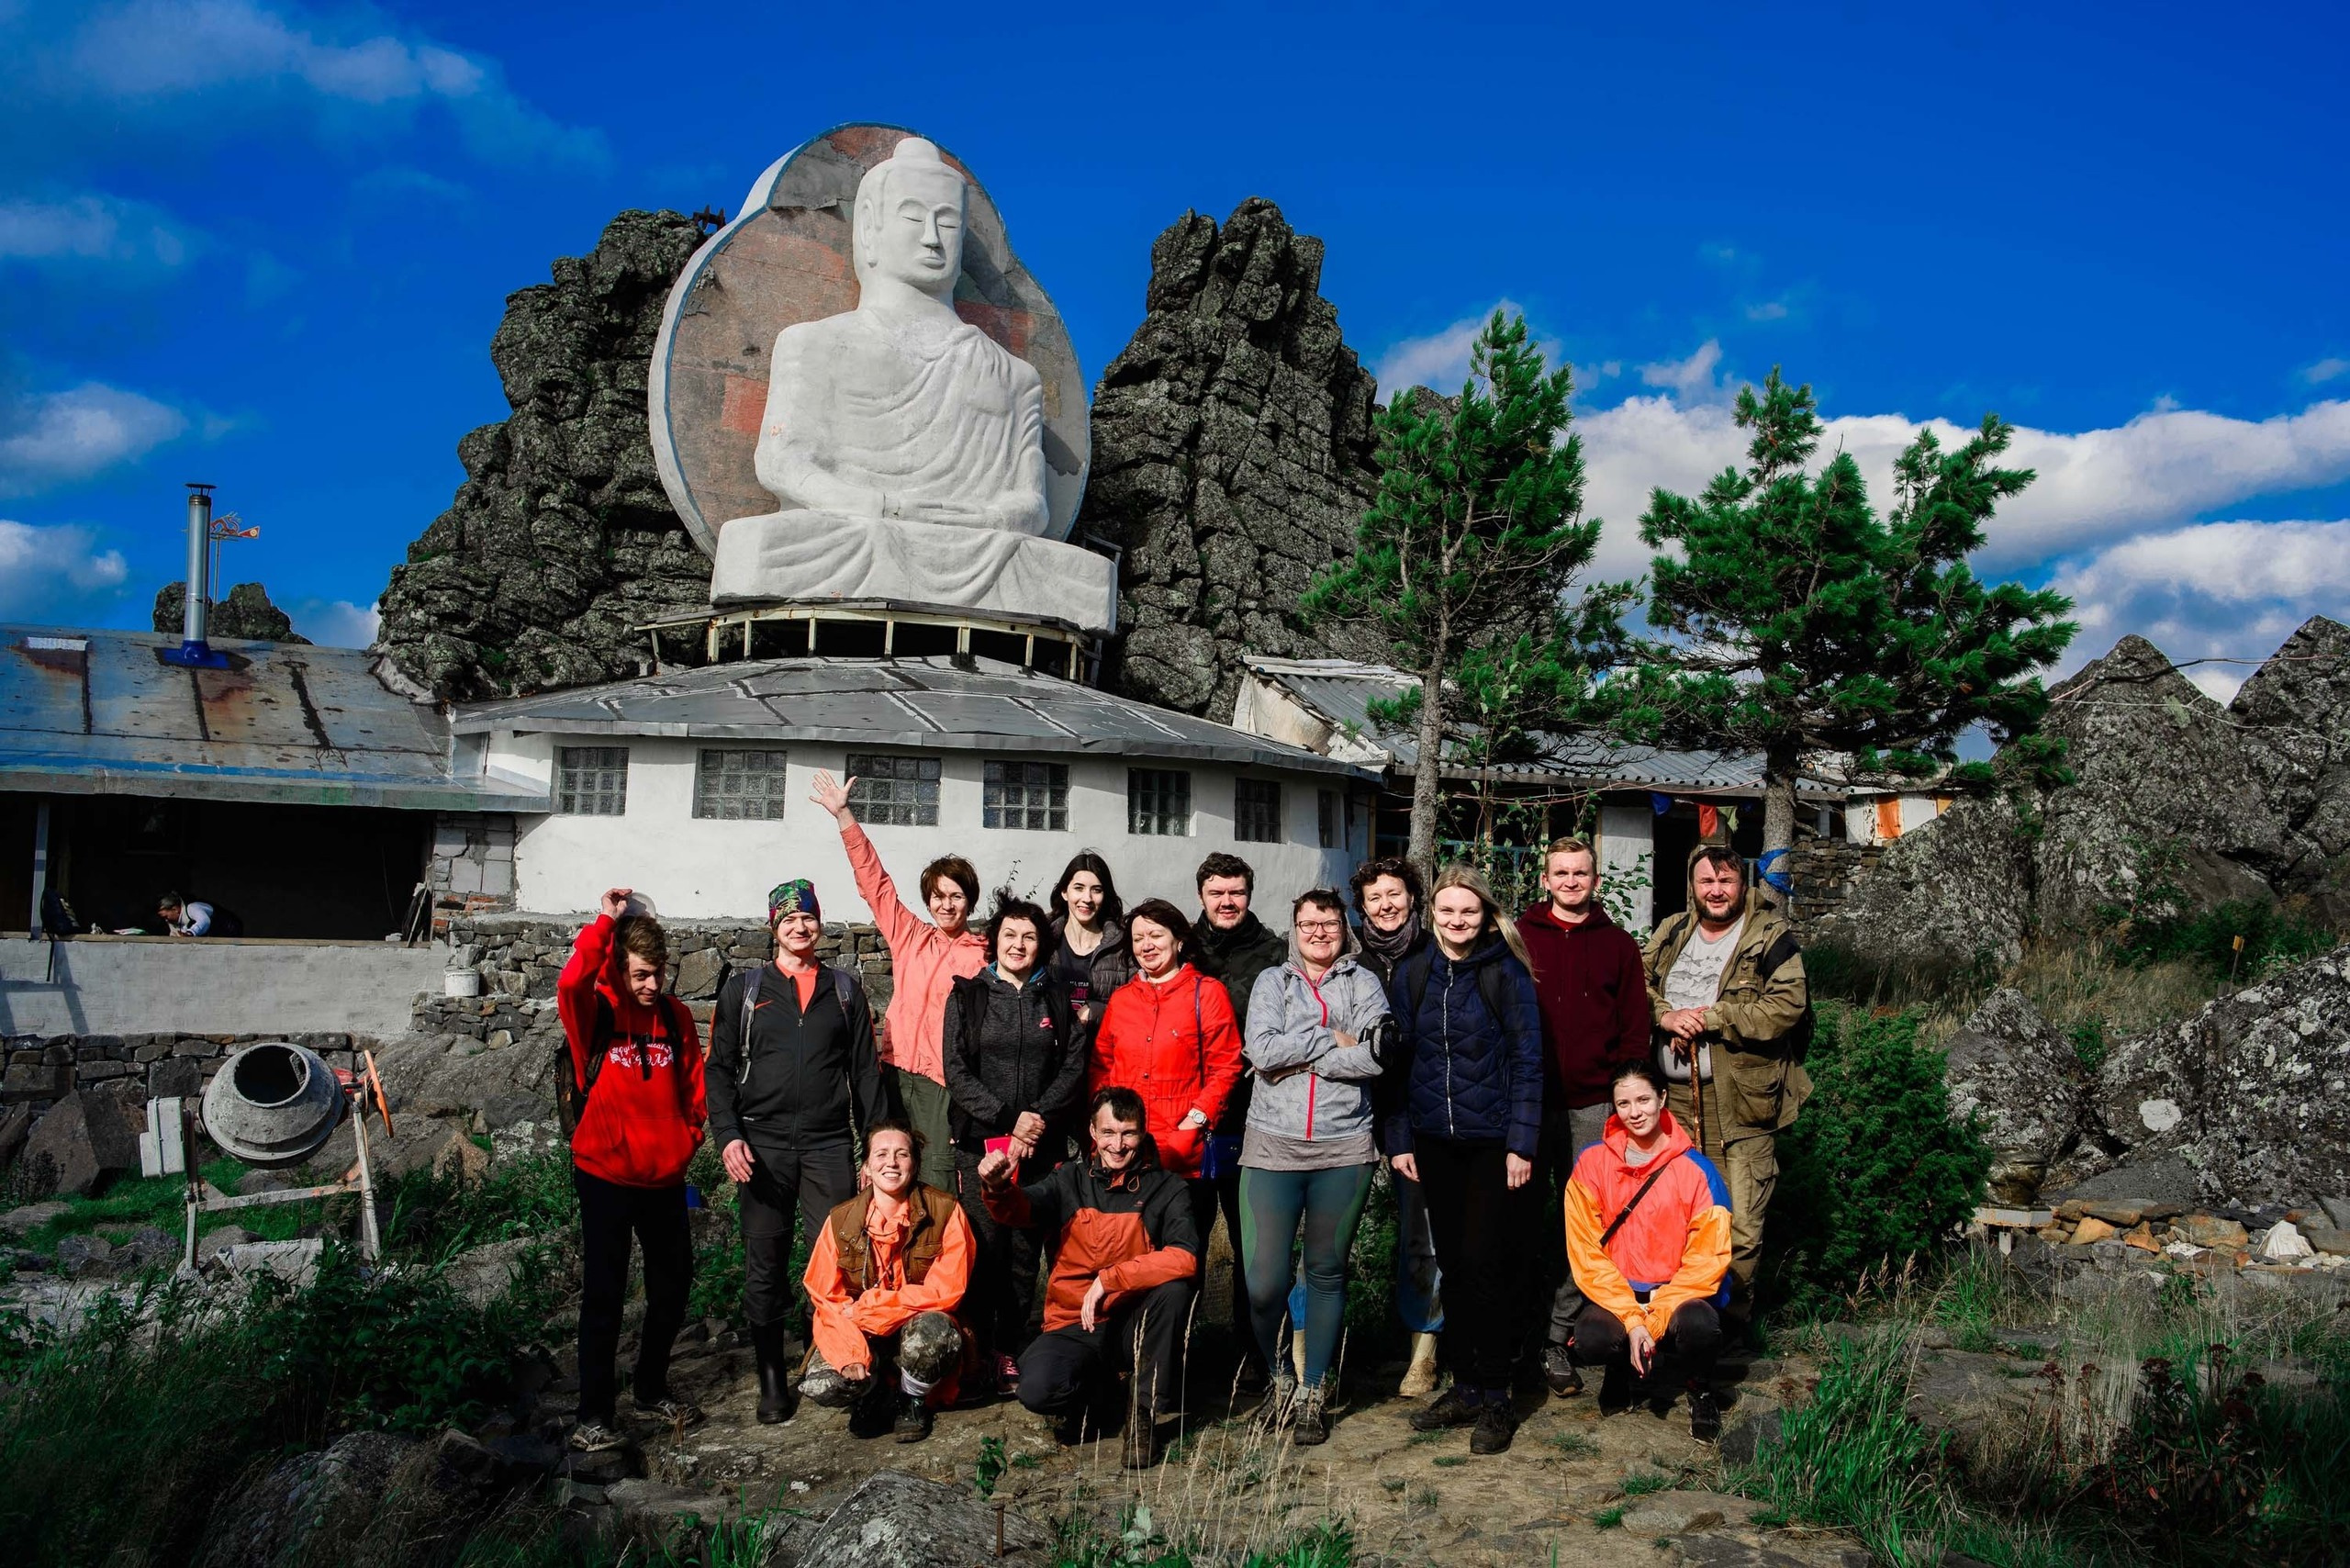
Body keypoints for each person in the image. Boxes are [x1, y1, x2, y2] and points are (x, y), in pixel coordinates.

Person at [708, 878, 897, 1426]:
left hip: (828, 1144)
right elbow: (718, 1070)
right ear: (774, 928)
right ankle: (772, 1379)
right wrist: (728, 1135)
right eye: (788, 919)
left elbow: (865, 1073)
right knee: (764, 1262)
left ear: (820, 923)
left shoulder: (845, 990)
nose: (799, 927)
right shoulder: (745, 991)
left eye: (808, 917)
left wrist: (874, 1148)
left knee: (844, 1260)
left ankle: (847, 1366)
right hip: (761, 1146)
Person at [1383, 865, 1544, 1455]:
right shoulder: (1414, 971)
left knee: (1485, 1264)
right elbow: (1398, 1062)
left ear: (1486, 914)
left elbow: (1528, 1060)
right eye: (1447, 910)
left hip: (1492, 1142)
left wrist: (1521, 1143)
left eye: (1469, 911)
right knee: (1451, 1263)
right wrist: (1399, 1137)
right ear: (1432, 914)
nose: (1457, 921)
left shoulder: (1506, 972)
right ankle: (1467, 1385)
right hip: (1432, 1140)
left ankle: (1498, 1396)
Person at [555, 889, 709, 1452]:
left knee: (673, 1286)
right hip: (604, 1176)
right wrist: (605, 923)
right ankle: (593, 1416)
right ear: (620, 970)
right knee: (605, 1295)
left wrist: (687, 1139)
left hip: (664, 1178)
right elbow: (570, 983)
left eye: (658, 973)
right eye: (641, 974)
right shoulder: (594, 1012)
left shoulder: (675, 1016)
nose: (652, 984)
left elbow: (694, 1085)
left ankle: (650, 1389)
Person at [979, 1088, 1201, 1470]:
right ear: (1093, 1134)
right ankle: (1105, 1393)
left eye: (1128, 1133)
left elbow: (1185, 1257)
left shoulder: (1168, 1188)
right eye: (1109, 1132)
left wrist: (1111, 1279)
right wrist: (998, 1188)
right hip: (1073, 1321)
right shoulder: (1068, 1179)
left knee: (1175, 1291)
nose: (1118, 1144)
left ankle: (1142, 1415)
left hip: (1132, 1323)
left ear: (1143, 1133)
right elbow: (1021, 1209)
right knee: (1036, 1390)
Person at [1238, 889, 1390, 1444]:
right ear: (1294, 929)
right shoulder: (1271, 983)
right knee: (1263, 1283)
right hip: (1272, 1147)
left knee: (1325, 1271)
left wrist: (1298, 1056)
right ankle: (1279, 1378)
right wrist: (1329, 1038)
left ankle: (1312, 1391)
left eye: (1329, 923)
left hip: (1343, 1147)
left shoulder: (1364, 983)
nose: (1319, 933)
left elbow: (1375, 1055)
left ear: (1344, 929)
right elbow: (1260, 1051)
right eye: (1308, 924)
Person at [1643, 846, 1811, 1337]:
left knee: (1739, 1222)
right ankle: (1680, 1323)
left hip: (1741, 1102)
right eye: (1706, 882)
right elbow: (1636, 982)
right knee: (1679, 1215)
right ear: (1692, 886)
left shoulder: (1769, 936)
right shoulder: (1673, 930)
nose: (1716, 891)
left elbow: (1787, 1006)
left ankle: (1730, 1329)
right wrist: (1666, 1015)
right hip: (1672, 1104)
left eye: (1726, 881)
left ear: (1743, 885)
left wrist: (1713, 1018)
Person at [1515, 836, 1651, 1396]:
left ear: (1595, 880)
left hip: (1594, 1105)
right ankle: (1515, 1337)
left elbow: (1635, 1029)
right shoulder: (1519, 937)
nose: (1570, 881)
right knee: (1521, 1219)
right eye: (1561, 873)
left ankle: (1558, 1335)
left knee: (1592, 1224)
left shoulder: (1618, 945)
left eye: (1580, 873)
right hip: (1528, 1103)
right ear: (1544, 880)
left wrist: (1622, 1101)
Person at [811, 768, 986, 1192]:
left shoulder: (985, 955)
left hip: (940, 1082)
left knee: (937, 1177)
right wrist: (844, 816)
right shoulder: (911, 935)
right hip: (891, 1072)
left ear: (970, 901)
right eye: (938, 896)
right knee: (888, 1172)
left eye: (956, 896)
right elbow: (875, 884)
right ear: (928, 900)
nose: (946, 905)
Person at [941, 895, 1087, 1391]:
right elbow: (957, 1072)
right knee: (984, 1248)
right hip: (980, 1146)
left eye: (1029, 936)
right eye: (1010, 935)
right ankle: (976, 1350)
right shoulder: (967, 996)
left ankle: (1010, 1347)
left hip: (1040, 1147)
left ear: (1041, 945)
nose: (1019, 945)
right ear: (994, 941)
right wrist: (1008, 1120)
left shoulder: (1058, 1000)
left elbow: (1072, 1068)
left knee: (1025, 1251)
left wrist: (1035, 1121)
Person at [1563, 1061, 1732, 1441]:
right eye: (1623, 1103)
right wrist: (1632, 1319)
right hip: (1618, 1293)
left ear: (1663, 1098)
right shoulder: (1591, 1164)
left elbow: (1707, 1261)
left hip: (1679, 1294)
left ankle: (1700, 1388)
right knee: (1591, 1337)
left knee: (1700, 1325)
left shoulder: (1698, 1170)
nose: (1634, 1112)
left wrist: (1652, 1321)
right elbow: (1587, 1254)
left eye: (1643, 1100)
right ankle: (1620, 1367)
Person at [799, 1120, 975, 1443]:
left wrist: (869, 1308)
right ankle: (873, 1391)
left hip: (914, 1327)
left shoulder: (946, 1211)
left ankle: (912, 1398)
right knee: (826, 1383)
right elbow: (824, 1297)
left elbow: (947, 1291)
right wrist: (851, 1352)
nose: (891, 1162)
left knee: (935, 1332)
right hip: (861, 1332)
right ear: (866, 1166)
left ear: (915, 1164)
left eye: (902, 1154)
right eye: (881, 1154)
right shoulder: (840, 1220)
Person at [1090, 899, 1244, 1249]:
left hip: (1183, 1154)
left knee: (1182, 1254)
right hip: (1125, 1153)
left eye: (1156, 935)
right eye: (1138, 938)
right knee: (1126, 1253)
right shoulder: (1122, 1000)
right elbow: (1102, 1065)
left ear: (1179, 940)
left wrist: (1194, 1121)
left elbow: (1226, 1065)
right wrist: (1103, 1126)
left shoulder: (1207, 993)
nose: (1146, 945)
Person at [1189, 851, 1287, 1387]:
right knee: (1186, 1238)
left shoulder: (1274, 955)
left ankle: (1257, 1352)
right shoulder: (1184, 949)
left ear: (1249, 894)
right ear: (1201, 896)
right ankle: (1180, 1352)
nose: (1227, 902)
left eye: (1236, 893)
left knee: (1254, 1243)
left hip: (1253, 1118)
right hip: (1190, 1118)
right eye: (1217, 893)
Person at [1351, 856, 1445, 1398]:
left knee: (1420, 1235)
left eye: (1394, 894)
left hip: (1418, 1111)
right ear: (1361, 907)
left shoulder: (1437, 953)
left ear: (1412, 897)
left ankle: (1423, 1349)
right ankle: (1322, 1354)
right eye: (1374, 898)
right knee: (1332, 1235)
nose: (1386, 906)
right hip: (1355, 1111)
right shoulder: (1350, 963)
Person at [1046, 850, 1136, 1062]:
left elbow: (1136, 1009)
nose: (1087, 899)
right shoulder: (1044, 942)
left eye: (1096, 890)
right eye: (1079, 888)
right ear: (1064, 892)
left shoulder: (1122, 946)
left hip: (1103, 1063)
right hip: (1050, 1063)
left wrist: (1097, 1011)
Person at [158, 892, 240, 936]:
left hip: (229, 927)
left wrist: (190, 933)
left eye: (166, 916)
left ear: (175, 909)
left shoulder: (192, 907)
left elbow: (204, 921)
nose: (166, 920)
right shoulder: (174, 921)